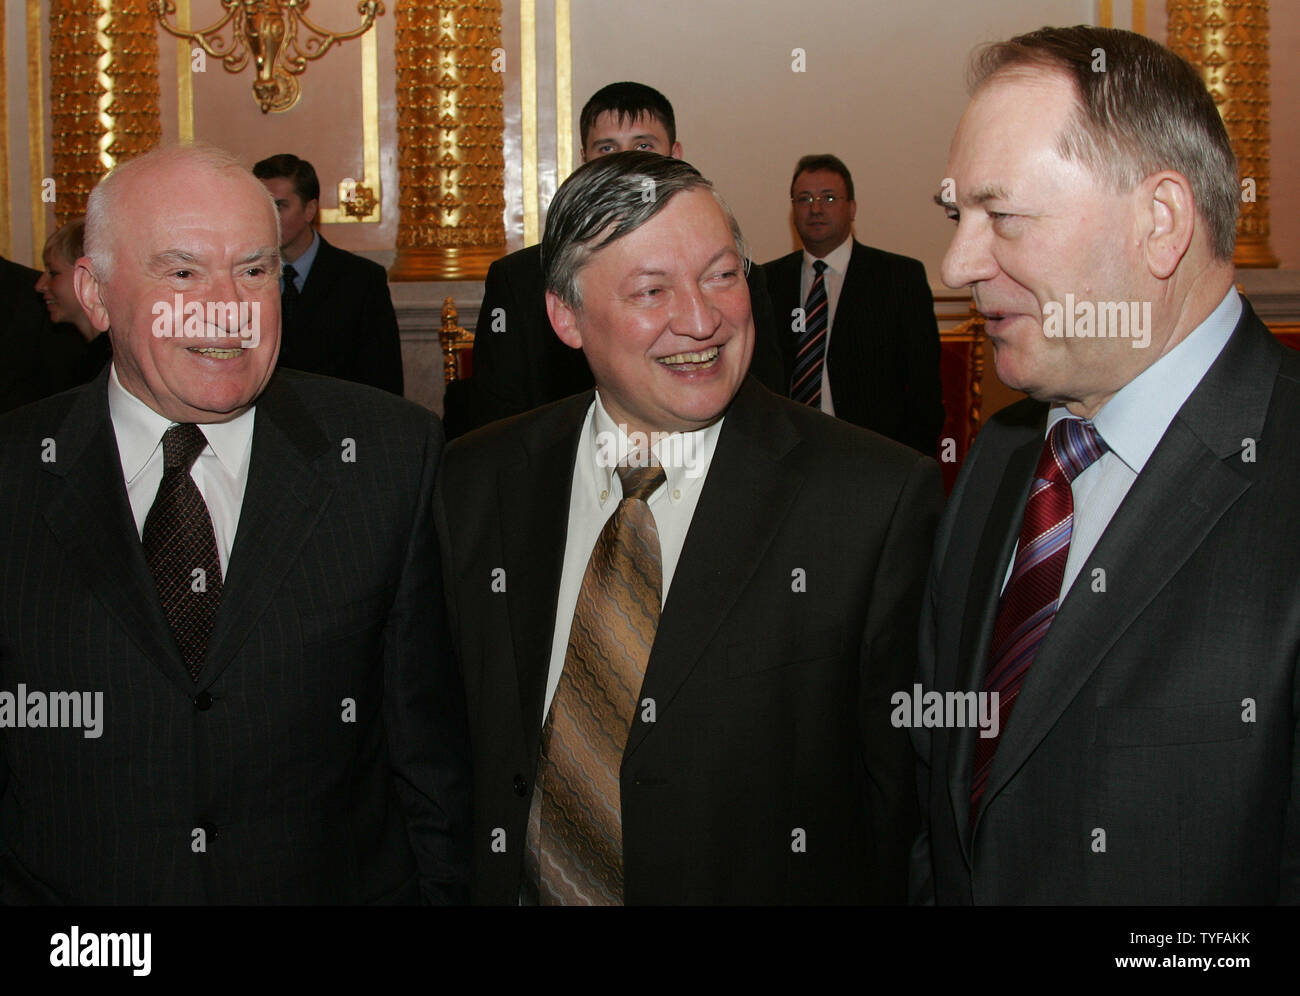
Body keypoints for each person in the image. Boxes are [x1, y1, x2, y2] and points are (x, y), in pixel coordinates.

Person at [436, 151, 943, 904]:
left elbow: (902, 812)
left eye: (722, 274)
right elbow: (443, 752)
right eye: (651, 290)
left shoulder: (872, 500)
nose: (702, 321)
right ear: (565, 317)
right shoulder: (475, 482)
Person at [0, 144, 469, 904]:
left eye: (254, 271)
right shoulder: (16, 476)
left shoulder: (387, 459)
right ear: (93, 292)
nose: (229, 306)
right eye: (182, 272)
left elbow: (431, 764)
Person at [910, 25, 1300, 904]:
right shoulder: (1004, 462)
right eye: (957, 217)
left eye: (1002, 217)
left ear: (1158, 223)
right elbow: (941, 793)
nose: (958, 263)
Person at [445, 81, 785, 438]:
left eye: (643, 146)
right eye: (607, 148)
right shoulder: (520, 278)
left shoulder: (740, 276)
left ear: (675, 153)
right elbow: (498, 423)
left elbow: (770, 414)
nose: (628, 163)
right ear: (584, 159)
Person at [763, 155, 944, 456]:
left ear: (852, 208)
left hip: (872, 455)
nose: (816, 208)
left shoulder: (899, 278)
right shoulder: (767, 281)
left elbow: (925, 391)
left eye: (829, 198)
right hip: (786, 455)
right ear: (792, 209)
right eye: (804, 199)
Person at [252, 153, 404, 395]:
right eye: (261, 206)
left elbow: (384, 382)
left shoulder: (361, 279)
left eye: (279, 206)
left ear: (309, 209)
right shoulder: (245, 278)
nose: (268, 217)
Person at [35, 218, 112, 385]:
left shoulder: (113, 364)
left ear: (87, 277)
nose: (40, 285)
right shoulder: (80, 360)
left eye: (53, 273)